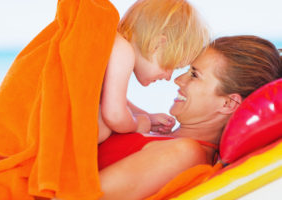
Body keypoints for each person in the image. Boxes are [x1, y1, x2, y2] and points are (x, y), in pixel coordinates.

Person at [98, 35, 282, 199]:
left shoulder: (184, 153)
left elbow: (87, 195)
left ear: (228, 104)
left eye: (194, 74)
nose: (178, 80)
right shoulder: (157, 134)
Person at [98, 0, 210, 143]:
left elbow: (110, 97)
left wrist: (147, 116)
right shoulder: (123, 51)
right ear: (156, 45)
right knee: (103, 126)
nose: (169, 77)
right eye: (171, 66)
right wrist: (138, 124)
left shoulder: (114, 46)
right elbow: (114, 115)